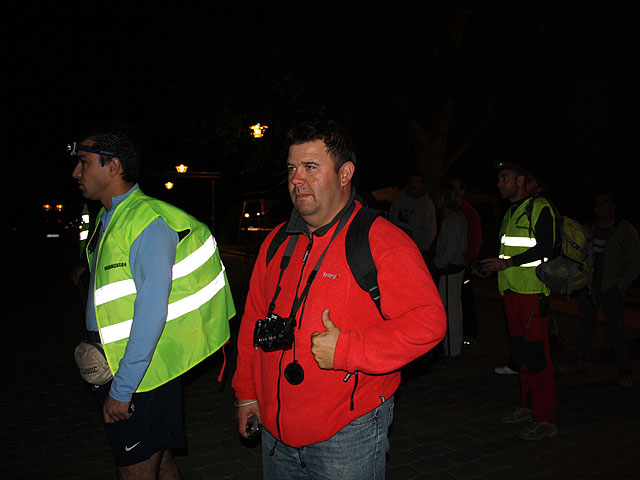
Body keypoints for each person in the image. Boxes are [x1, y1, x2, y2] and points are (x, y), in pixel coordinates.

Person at [232, 120, 446, 479]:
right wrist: (246, 394)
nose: (297, 180)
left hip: (347, 435)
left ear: (345, 173)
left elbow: (429, 323)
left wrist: (347, 349)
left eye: (310, 167)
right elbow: (253, 321)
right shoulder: (277, 242)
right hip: (274, 429)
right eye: (291, 169)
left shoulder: (380, 240)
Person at [70, 128, 235, 479]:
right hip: (132, 371)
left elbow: (151, 311)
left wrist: (123, 388)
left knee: (136, 471)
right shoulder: (108, 216)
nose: (76, 172)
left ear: (113, 166)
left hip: (141, 377)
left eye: (84, 162)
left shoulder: (147, 221)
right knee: (159, 461)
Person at [477, 161, 558, 441]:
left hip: (532, 294)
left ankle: (545, 418)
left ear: (521, 180)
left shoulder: (540, 207)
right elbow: (508, 251)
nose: (499, 183)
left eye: (505, 178)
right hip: (511, 293)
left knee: (538, 358)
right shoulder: (511, 211)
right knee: (522, 355)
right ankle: (527, 406)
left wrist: (508, 263)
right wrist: (489, 265)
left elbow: (547, 249)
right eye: (499, 178)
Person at [563, 191, 640, 388]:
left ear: (613, 206)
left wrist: (621, 285)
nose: (601, 207)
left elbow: (633, 260)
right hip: (589, 287)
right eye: (598, 203)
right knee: (585, 327)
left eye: (605, 203)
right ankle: (579, 361)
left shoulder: (624, 230)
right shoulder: (588, 228)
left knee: (616, 331)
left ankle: (624, 371)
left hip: (611, 288)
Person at [433, 181, 468, 359]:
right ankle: (452, 347)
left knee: (450, 309)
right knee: (453, 308)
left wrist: (438, 262)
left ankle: (451, 349)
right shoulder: (457, 217)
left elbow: (451, 249)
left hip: (450, 268)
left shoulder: (452, 219)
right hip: (454, 266)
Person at [451, 176, 483, 346]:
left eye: (457, 188)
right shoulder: (449, 211)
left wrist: (468, 260)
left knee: (466, 298)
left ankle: (469, 333)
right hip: (452, 263)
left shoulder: (469, 213)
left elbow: (475, 239)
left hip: (463, 264)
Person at [388, 171, 437, 260]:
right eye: (411, 182)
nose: (413, 185)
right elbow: (391, 221)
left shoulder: (427, 206)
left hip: (415, 252)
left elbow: (431, 232)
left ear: (422, 185)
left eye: (416, 182)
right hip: (395, 248)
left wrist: (419, 248)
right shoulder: (398, 200)